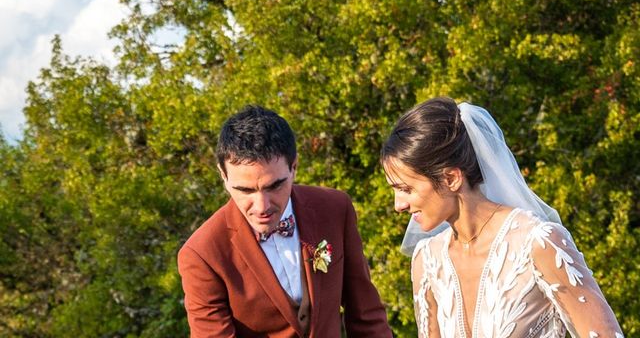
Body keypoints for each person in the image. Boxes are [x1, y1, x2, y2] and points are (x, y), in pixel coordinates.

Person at [381, 97, 624, 338]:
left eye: (406, 189)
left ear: (451, 179)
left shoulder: (538, 244)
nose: (398, 205)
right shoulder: (428, 260)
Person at [178, 105, 392, 338]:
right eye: (245, 190)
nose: (262, 206)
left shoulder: (335, 209)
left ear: (294, 167)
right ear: (223, 176)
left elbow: (366, 315)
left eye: (274, 186)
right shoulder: (202, 254)